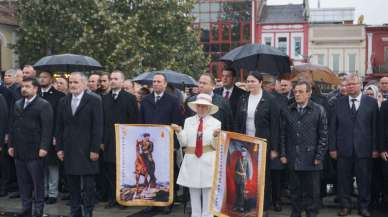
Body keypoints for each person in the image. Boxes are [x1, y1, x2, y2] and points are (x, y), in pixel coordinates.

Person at [329, 74, 379, 217]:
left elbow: (375, 127)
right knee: (343, 180)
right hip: (343, 149)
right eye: (348, 84)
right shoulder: (339, 102)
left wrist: (375, 148)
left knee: (364, 180)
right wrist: (332, 148)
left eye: (353, 84)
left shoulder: (371, 102)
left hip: (364, 149)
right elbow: (333, 127)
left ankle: (363, 206)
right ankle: (345, 206)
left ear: (360, 85)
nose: (350, 86)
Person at [56, 72, 103, 217]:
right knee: (72, 184)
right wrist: (59, 148)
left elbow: (98, 126)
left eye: (76, 82)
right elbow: (59, 127)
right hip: (69, 149)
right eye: (71, 82)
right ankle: (75, 212)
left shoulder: (94, 100)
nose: (73, 85)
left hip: (87, 149)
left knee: (88, 186)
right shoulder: (63, 101)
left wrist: (95, 149)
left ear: (84, 84)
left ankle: (88, 212)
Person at [234, 71, 280, 216]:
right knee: (246, 175)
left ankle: (263, 206)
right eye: (248, 81)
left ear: (260, 83)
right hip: (244, 144)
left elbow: (275, 126)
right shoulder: (242, 99)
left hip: (262, 144)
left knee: (262, 176)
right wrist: (236, 142)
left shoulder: (270, 100)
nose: (250, 84)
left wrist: (274, 149)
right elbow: (237, 122)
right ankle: (247, 205)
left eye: (253, 81)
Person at [280, 80, 328, 217]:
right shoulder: (288, 110)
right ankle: (295, 213)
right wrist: (283, 154)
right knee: (295, 191)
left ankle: (311, 214)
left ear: (309, 93)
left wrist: (319, 156)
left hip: (312, 158)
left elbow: (323, 135)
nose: (297, 94)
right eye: (295, 91)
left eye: (301, 92)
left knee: (312, 192)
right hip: (293, 156)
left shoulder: (319, 110)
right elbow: (283, 134)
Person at [8, 77, 53, 217]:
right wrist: (10, 145)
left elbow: (47, 128)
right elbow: (12, 126)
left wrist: (44, 147)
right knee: (23, 182)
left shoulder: (43, 105)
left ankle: (38, 209)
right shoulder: (17, 103)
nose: (24, 89)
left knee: (37, 182)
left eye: (27, 86)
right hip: (19, 150)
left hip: (35, 150)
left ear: (35, 88)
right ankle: (26, 208)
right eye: (23, 86)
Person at [171, 93, 221, 217]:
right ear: (195, 107)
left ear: (209, 108)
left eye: (204, 106)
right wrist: (179, 132)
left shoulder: (216, 123)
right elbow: (184, 143)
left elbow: (216, 146)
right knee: (193, 194)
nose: (201, 109)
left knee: (208, 193)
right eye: (199, 106)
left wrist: (215, 136)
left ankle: (207, 215)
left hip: (208, 161)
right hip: (192, 160)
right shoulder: (188, 121)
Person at [140, 73, 183, 214]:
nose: (156, 84)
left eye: (159, 81)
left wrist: (175, 145)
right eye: (154, 81)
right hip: (150, 144)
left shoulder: (173, 100)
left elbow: (177, 122)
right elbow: (141, 122)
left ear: (165, 84)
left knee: (168, 172)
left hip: (167, 144)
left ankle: (169, 200)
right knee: (152, 172)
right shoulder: (145, 100)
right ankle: (152, 201)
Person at [102, 70, 138, 208]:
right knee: (110, 170)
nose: (112, 81)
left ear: (122, 81)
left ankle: (125, 198)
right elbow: (102, 121)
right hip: (109, 141)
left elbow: (134, 120)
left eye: (116, 78)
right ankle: (113, 198)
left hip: (125, 141)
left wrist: (132, 140)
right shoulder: (104, 99)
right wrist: (101, 141)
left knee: (124, 170)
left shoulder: (130, 98)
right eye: (111, 78)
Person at [38, 71, 65, 205]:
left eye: (45, 77)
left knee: (52, 166)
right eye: (40, 77)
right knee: (40, 165)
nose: (42, 80)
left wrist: (56, 136)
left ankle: (53, 193)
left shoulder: (59, 96)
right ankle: (42, 192)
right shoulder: (35, 93)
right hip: (37, 136)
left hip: (52, 135)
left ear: (51, 79)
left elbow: (59, 119)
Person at [233, 147, 251, 213]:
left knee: (242, 193)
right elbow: (235, 170)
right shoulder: (238, 160)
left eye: (244, 152)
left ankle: (241, 206)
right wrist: (239, 174)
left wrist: (247, 179)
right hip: (237, 179)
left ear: (246, 153)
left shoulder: (247, 160)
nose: (243, 153)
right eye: (242, 151)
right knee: (237, 192)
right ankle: (237, 206)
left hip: (243, 179)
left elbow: (248, 171)